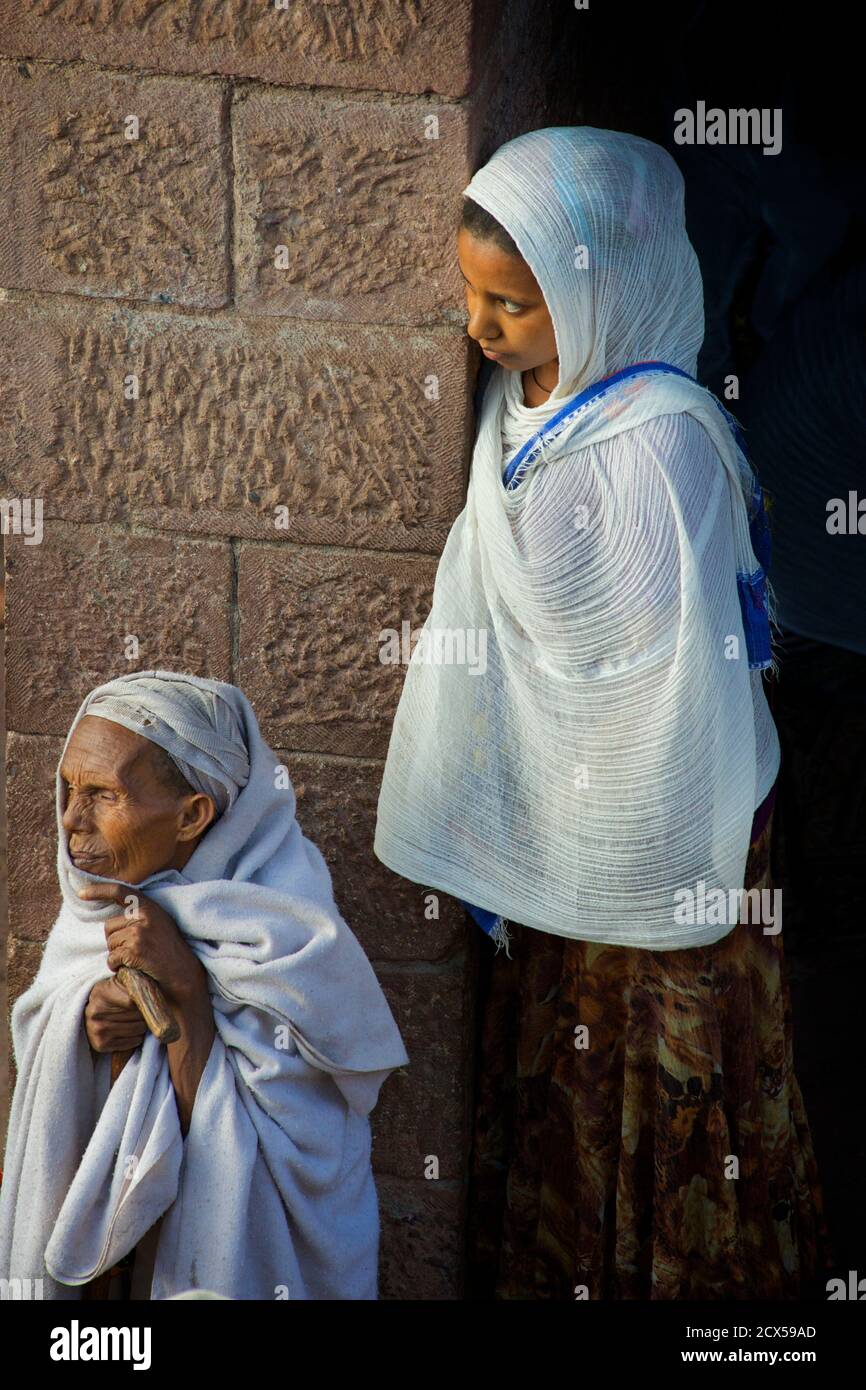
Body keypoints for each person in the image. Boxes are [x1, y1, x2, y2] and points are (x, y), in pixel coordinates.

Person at [373, 126, 832, 1298]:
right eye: (472, 297)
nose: (479, 331)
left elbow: (662, 694)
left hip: (666, 846)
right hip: (562, 852)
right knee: (569, 1089)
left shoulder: (659, 451)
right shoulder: (526, 402)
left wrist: (607, 811)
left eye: (512, 306)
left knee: (673, 1100)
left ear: (603, 292)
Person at [0, 670, 409, 1300]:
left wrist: (186, 992)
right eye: (69, 787)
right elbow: (41, 1043)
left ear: (193, 815)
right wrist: (85, 1019)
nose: (71, 820)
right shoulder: (96, 912)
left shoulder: (289, 938)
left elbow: (281, 1150)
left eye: (103, 795)